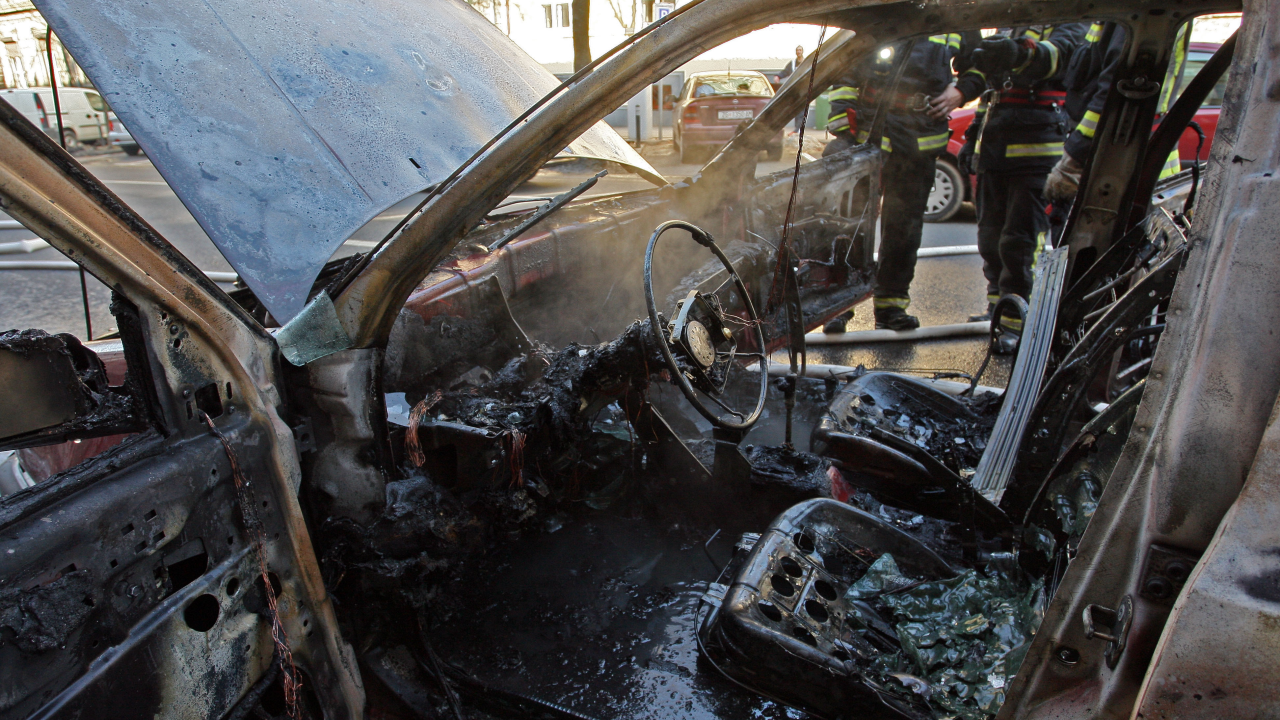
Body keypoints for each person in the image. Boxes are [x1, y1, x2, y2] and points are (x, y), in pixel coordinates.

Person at [821, 33, 983, 331]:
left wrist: (961, 91)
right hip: (869, 134)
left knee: (904, 227)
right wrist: (846, 127)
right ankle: (839, 304)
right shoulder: (885, 12)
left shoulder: (955, 18)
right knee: (849, 224)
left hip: (919, 138)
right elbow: (844, 71)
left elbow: (980, 66)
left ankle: (891, 305)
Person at [954, 24, 1087, 345]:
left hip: (1037, 152)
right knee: (990, 237)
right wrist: (973, 136)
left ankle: (1018, 321)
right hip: (996, 147)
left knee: (1020, 241)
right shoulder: (1013, 22)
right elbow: (991, 91)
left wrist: (1022, 52)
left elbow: (1060, 54)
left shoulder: (1070, 19)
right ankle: (998, 309)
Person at [779, 46, 807, 132]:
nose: (798, 52)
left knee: (802, 109)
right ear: (796, 52)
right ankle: (797, 128)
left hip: (804, 89)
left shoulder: (807, 62)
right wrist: (778, 76)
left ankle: (798, 129)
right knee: (795, 109)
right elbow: (785, 72)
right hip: (794, 90)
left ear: (802, 51)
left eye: (800, 50)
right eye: (797, 50)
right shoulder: (792, 63)